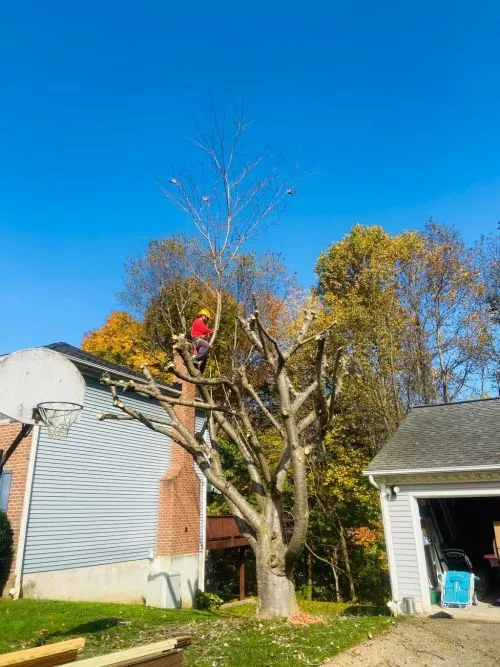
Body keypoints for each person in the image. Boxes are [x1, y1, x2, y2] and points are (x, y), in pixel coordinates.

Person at [191, 307, 213, 372]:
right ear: (203, 316)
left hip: (199, 340)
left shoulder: (202, 323)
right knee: (206, 345)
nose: (207, 320)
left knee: (205, 355)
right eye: (206, 318)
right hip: (196, 339)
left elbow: (203, 332)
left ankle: (200, 370)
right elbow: (204, 330)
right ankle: (195, 359)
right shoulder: (198, 321)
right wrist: (212, 331)